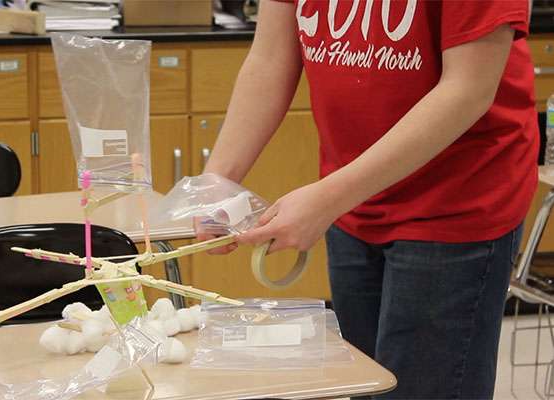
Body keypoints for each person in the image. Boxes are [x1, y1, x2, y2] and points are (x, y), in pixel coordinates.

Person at [197, 0, 539, 398]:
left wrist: (327, 200)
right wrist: (215, 184)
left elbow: (467, 89)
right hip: (353, 198)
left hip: (452, 203)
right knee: (366, 383)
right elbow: (272, 57)